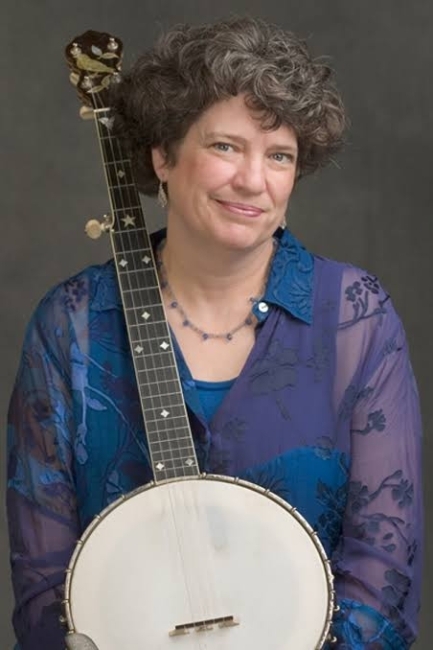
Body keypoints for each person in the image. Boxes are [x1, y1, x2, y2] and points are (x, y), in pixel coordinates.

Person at [7, 16, 422, 649]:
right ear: (162, 157)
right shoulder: (71, 325)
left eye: (279, 155)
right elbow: (43, 586)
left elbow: (383, 571)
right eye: (226, 146)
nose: (254, 181)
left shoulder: (354, 319)